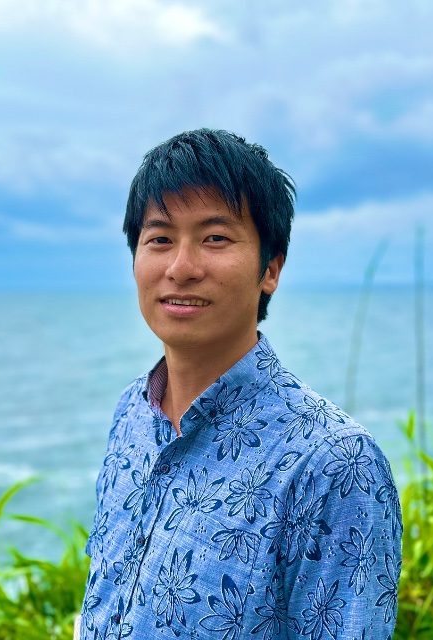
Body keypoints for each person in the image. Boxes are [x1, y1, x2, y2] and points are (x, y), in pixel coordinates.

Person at [80, 129, 402, 640]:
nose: (181, 268)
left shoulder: (335, 465)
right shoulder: (132, 411)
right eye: (159, 239)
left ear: (270, 269)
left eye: (215, 238)